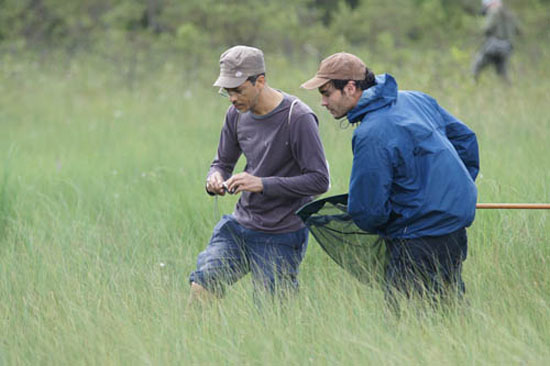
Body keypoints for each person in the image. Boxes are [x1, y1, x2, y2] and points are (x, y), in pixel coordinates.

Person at [301, 53, 479, 307]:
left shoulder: (371, 133)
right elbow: (466, 140)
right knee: (449, 312)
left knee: (405, 325)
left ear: (350, 88)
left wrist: (414, 207)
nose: (323, 102)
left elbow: (368, 210)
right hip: (454, 232)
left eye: (326, 93)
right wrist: (453, 191)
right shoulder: (415, 99)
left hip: (415, 240)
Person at [188, 45, 330, 306]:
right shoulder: (236, 114)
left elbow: (320, 181)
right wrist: (214, 178)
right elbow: (221, 162)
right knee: (201, 289)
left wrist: (262, 184)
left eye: (238, 90)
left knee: (272, 315)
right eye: (227, 92)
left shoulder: (297, 118)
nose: (232, 98)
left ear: (260, 81)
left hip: (282, 234)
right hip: (240, 225)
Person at [472, 0, 521, 83]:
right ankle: (509, 89)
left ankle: (473, 84)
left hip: (494, 46)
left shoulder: (493, 12)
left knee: (477, 65)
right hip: (507, 47)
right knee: (502, 71)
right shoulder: (510, 14)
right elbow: (518, 31)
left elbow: (487, 28)